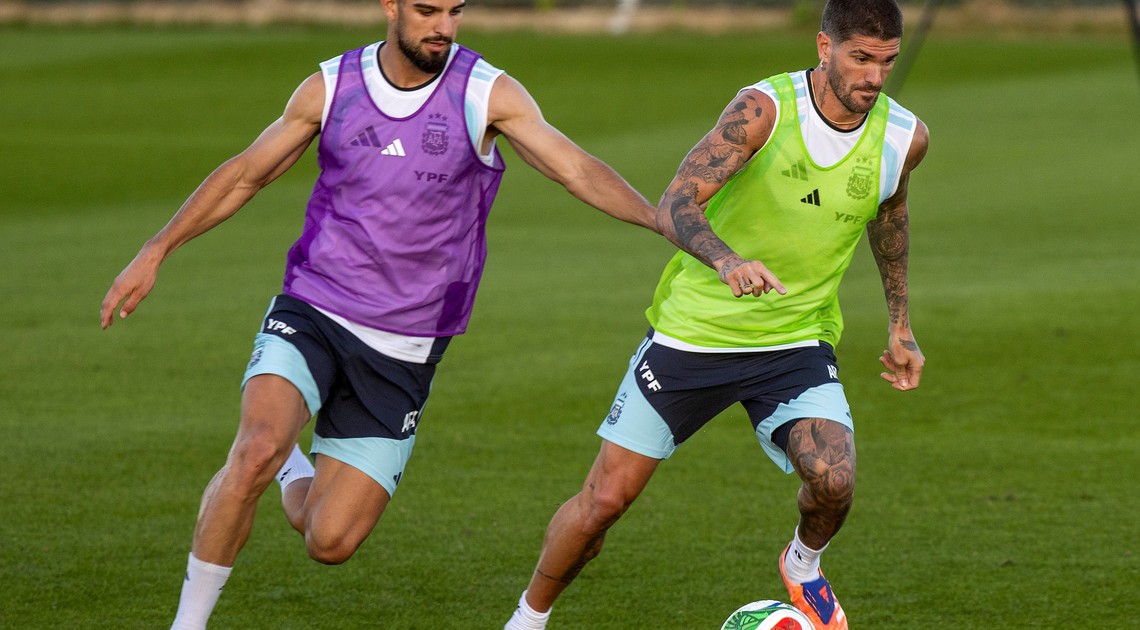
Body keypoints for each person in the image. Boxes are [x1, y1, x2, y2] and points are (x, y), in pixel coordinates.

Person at [98, 1, 780, 627]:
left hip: (406, 348)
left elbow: (574, 169)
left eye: (455, 11)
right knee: (253, 450)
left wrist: (666, 223)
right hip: (314, 307)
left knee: (328, 540)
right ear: (391, 6)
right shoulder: (331, 87)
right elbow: (247, 172)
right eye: (427, 10)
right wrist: (157, 248)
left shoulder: (487, 93)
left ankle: (292, 466)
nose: (444, 27)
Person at [503, 1, 927, 629]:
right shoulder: (764, 110)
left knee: (834, 480)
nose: (873, 76)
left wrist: (900, 323)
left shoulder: (904, 137)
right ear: (824, 47)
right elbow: (676, 203)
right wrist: (727, 261)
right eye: (860, 58)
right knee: (604, 503)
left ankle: (802, 565)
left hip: (794, 342)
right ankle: (528, 618)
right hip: (694, 337)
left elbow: (890, 215)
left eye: (886, 62)